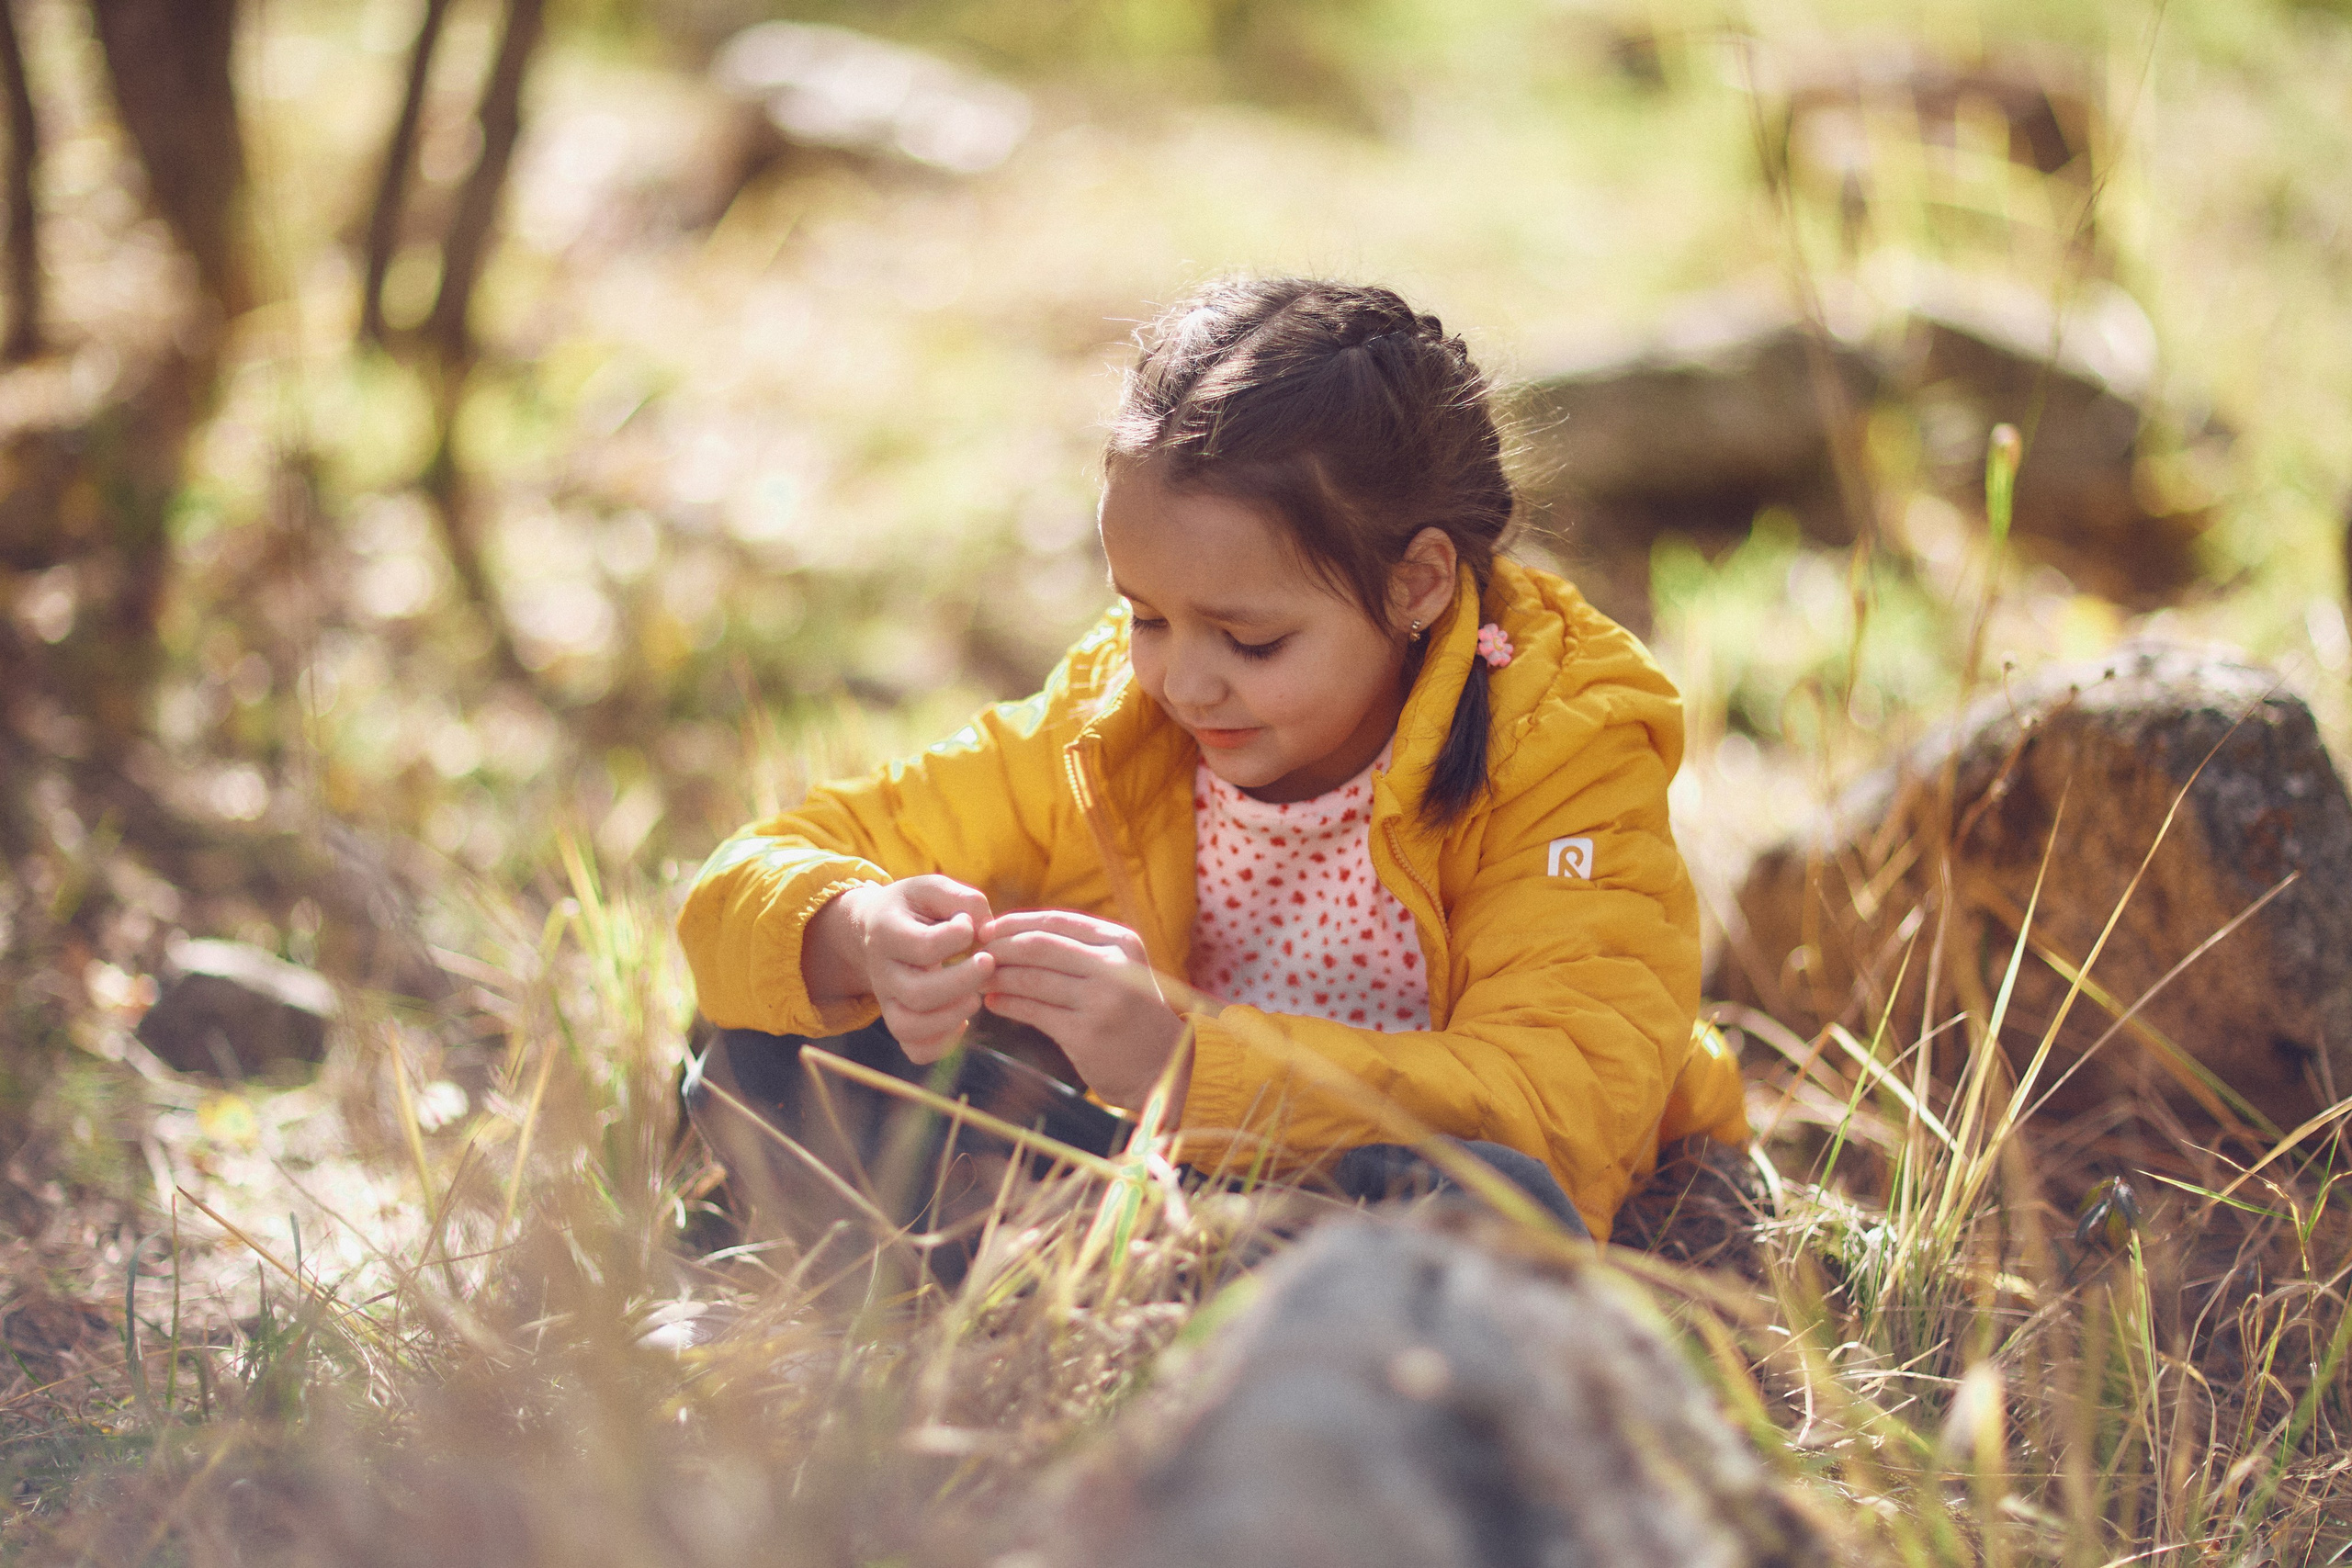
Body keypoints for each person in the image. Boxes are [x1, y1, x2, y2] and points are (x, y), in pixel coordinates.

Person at [676, 276, 1747, 1252]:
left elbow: (1558, 1108)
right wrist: (856, 934)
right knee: (758, 1043)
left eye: (1252, 641)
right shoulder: (1111, 720)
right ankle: (1138, 1282)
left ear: (1417, 585)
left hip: (1394, 1206)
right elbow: (757, 874)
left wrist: (1189, 1068)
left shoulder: (1560, 749)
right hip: (1159, 1181)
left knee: (1491, 1201)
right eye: (1146, 616)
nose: (1184, 684)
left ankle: (1154, 1295)